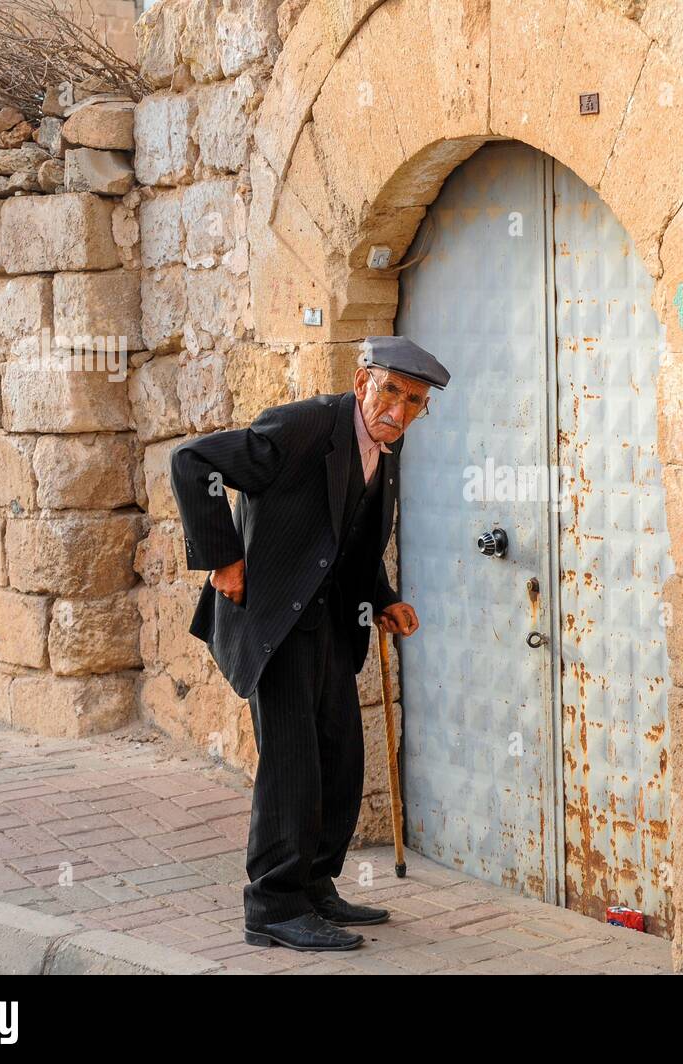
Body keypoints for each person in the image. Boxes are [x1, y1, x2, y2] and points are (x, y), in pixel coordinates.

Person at [169, 335, 450, 952]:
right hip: (271, 620)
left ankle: (315, 885)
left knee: (340, 758)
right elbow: (194, 463)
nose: (399, 411)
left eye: (415, 402)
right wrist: (222, 559)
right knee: (292, 764)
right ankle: (272, 906)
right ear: (361, 384)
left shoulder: (384, 447)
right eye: (391, 393)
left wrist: (382, 599)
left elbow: (350, 538)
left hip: (326, 624)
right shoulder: (302, 427)